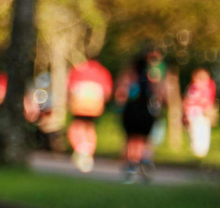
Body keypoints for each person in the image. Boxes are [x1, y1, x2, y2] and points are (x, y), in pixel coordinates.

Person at [120, 47, 167, 182]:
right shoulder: (151, 76)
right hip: (144, 111)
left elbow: (121, 93)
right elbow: (159, 94)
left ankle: (132, 165)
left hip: (132, 110)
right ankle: (143, 162)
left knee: (132, 140)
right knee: (144, 140)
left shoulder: (129, 75)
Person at [61, 54, 111, 172]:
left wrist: (69, 102)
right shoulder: (102, 71)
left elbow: (69, 87)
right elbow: (107, 91)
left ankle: (80, 149)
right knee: (89, 127)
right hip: (95, 107)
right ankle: (88, 151)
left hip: (79, 105)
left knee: (76, 126)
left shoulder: (79, 70)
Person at [188, 66, 219, 160]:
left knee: (204, 131)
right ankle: (197, 151)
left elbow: (210, 99)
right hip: (194, 113)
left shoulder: (209, 86)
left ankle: (202, 151)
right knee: (195, 131)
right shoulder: (193, 88)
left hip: (204, 113)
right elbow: (190, 100)